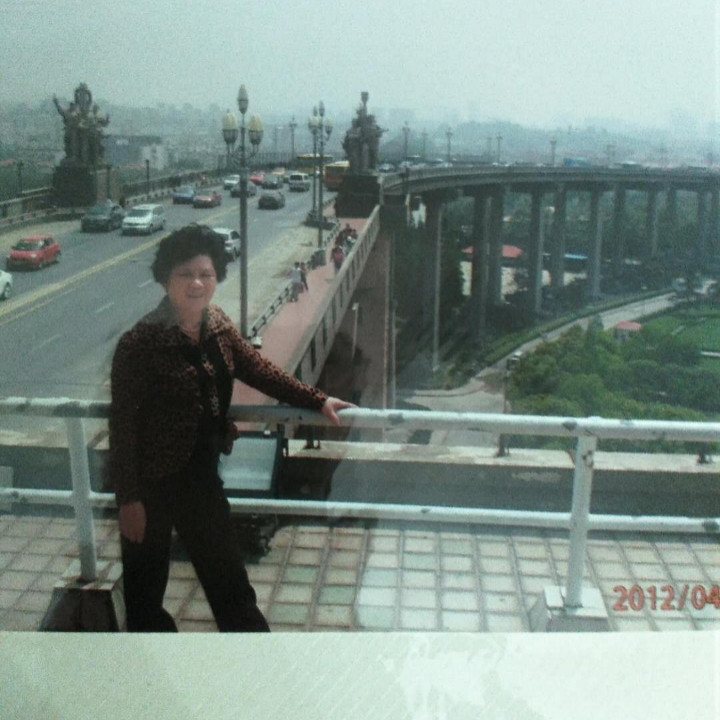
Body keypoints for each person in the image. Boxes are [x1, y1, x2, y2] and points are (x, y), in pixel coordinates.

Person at [108, 224, 354, 632]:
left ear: (217, 277)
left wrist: (316, 399)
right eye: (185, 274)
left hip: (201, 481)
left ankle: (253, 662)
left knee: (232, 590)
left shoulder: (218, 326)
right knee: (144, 599)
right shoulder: (139, 344)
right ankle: (153, 666)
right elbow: (123, 428)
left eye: (205, 274)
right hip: (150, 488)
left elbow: (258, 369)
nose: (197, 283)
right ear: (166, 279)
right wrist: (128, 500)